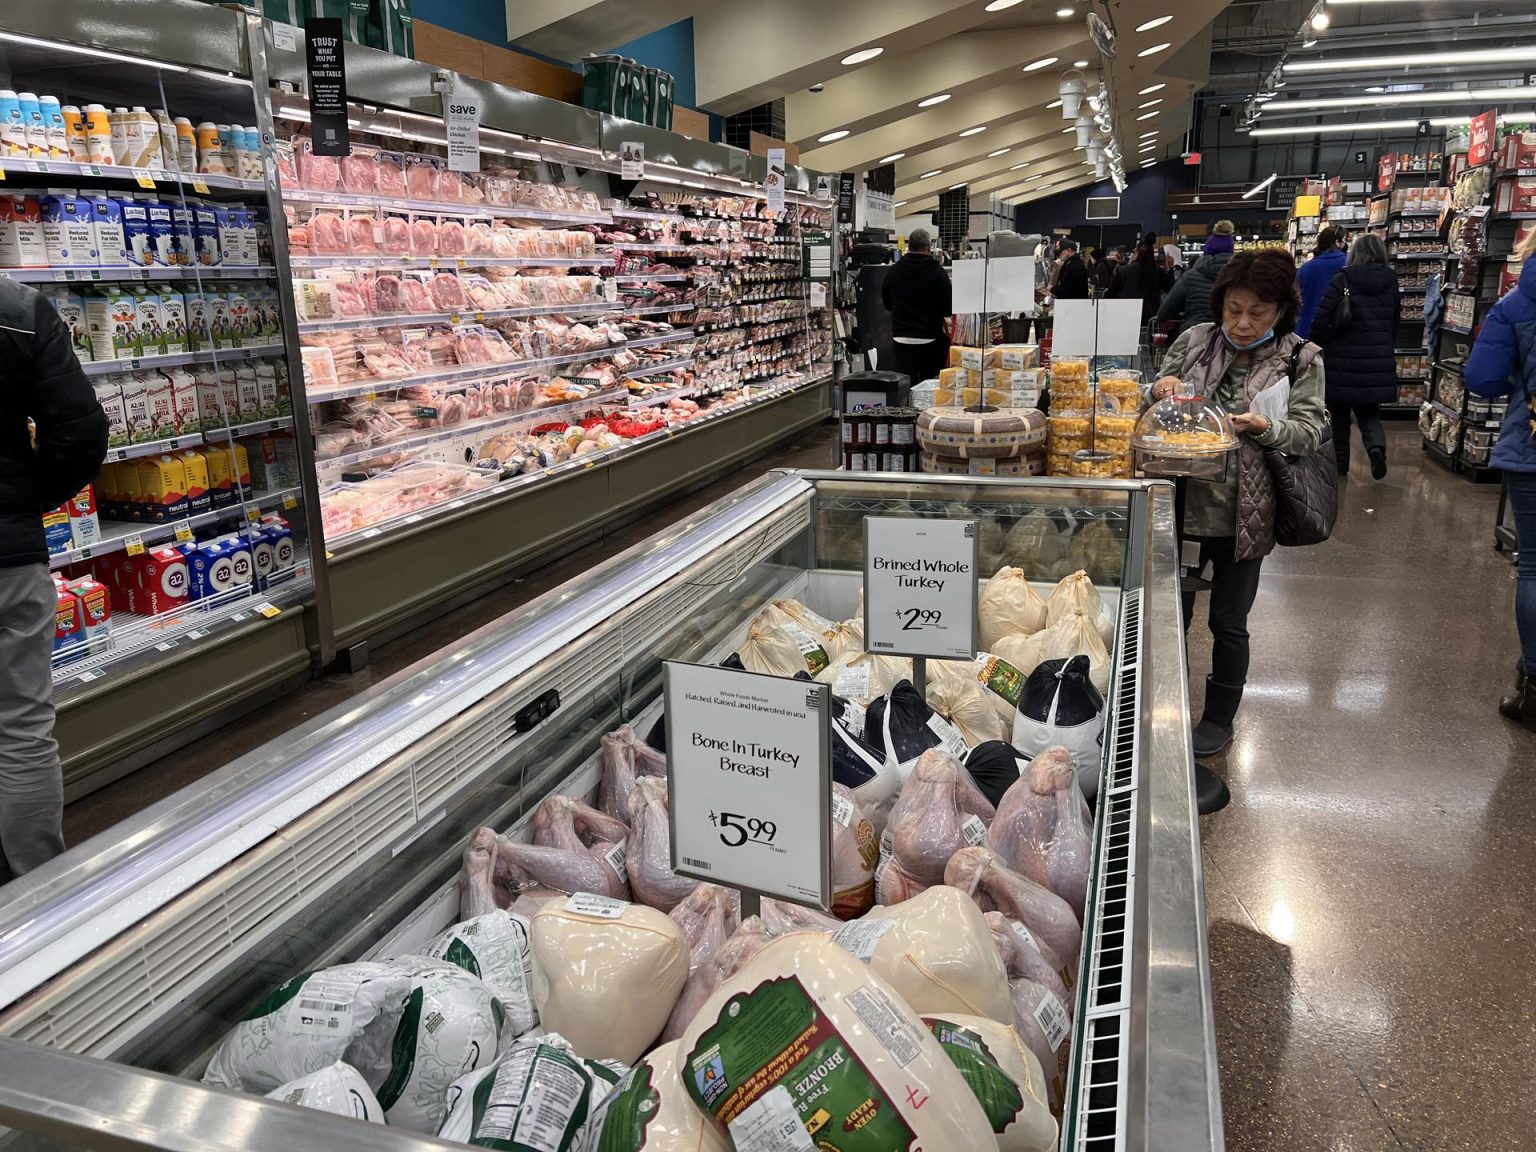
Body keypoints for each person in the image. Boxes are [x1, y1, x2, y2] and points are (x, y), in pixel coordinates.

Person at [1150, 249, 1327, 759]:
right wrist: (1159, 388)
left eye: (1258, 312)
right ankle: (1162, 709)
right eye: (1234, 310)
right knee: (1167, 615)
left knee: (1228, 621)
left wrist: (1265, 426)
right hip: (1180, 500)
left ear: (1281, 311)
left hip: (1244, 511)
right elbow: (1155, 398)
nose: (1243, 323)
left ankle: (1218, 718)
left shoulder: (1302, 358)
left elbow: (1311, 432)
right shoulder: (1194, 341)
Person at [0, 278, 107, 882]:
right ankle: (37, 887)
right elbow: (81, 433)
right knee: (22, 726)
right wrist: (24, 500)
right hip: (9, 564)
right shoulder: (18, 309)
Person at [1463, 229, 1536, 730]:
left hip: (1532, 447)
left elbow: (1482, 378)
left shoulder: (1517, 301)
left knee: (1534, 566)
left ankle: (1535, 685)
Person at [1309, 233, 1400, 479]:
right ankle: (1376, 448)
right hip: (1376, 357)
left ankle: (1340, 466)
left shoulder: (1343, 278)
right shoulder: (1391, 280)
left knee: (1338, 415)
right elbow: (1394, 321)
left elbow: (1322, 317)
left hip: (1341, 358)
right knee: (1369, 411)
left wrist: (1315, 343)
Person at [881, 228, 953, 385]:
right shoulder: (938, 273)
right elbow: (948, 309)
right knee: (930, 386)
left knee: (905, 386)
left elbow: (887, 304)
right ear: (928, 248)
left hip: (901, 339)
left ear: (909, 246)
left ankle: (905, 409)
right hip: (930, 339)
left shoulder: (894, 271)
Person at [1157, 220, 1235, 335]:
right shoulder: (1243, 278)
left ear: (1207, 250)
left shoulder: (1190, 277)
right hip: (1231, 338)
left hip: (1194, 336)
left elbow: (1164, 313)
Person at [1295, 227, 1346, 339]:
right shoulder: (1348, 265)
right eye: (1343, 241)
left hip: (1306, 329)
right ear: (1337, 242)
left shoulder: (1306, 268)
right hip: (1339, 331)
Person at [1110, 233, 1164, 323]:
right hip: (1150, 316)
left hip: (1125, 313)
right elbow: (1170, 288)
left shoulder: (1123, 270)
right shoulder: (1158, 271)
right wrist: (1171, 269)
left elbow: (1112, 293)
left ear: (1136, 253)